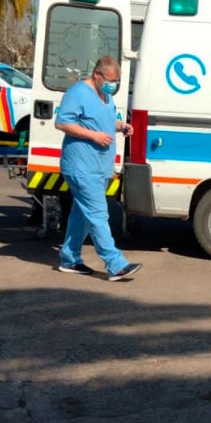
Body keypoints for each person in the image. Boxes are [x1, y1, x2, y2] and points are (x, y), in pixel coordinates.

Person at [54, 56, 141, 281]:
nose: (113, 85)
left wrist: (121, 126)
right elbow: (62, 122)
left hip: (99, 166)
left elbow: (103, 120)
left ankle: (69, 259)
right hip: (81, 165)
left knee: (82, 215)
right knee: (98, 214)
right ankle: (115, 264)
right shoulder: (77, 92)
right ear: (97, 74)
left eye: (116, 81)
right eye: (110, 80)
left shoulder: (106, 95)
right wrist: (93, 136)